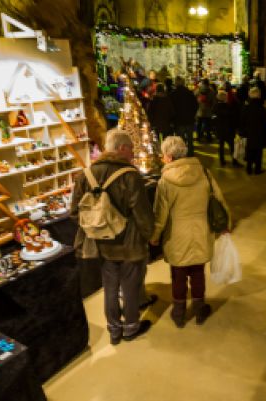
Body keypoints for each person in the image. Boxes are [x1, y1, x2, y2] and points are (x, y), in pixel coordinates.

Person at [70, 129, 154, 345]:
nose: (133, 155)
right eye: (131, 150)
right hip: (130, 243)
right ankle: (131, 327)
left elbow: (74, 213)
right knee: (130, 287)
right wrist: (149, 236)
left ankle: (114, 330)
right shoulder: (130, 175)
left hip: (101, 244)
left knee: (109, 287)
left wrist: (96, 228)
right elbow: (142, 213)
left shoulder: (85, 175)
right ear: (121, 148)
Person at [150, 136, 230, 328]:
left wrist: (154, 236)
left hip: (177, 236)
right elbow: (219, 200)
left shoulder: (165, 181)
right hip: (202, 231)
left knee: (178, 274)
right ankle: (200, 308)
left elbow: (160, 215)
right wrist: (227, 223)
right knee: (197, 272)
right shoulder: (204, 172)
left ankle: (179, 313)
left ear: (169, 157)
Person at [240, 87, 266, 175]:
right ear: (258, 95)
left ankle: (249, 168)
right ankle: (257, 169)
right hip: (259, 133)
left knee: (249, 151)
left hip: (248, 133)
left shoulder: (246, 107)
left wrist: (241, 132)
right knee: (258, 152)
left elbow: (242, 121)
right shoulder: (261, 108)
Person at [169, 77, 198, 156]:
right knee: (190, 138)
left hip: (178, 120)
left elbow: (171, 108)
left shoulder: (173, 94)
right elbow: (195, 105)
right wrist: (192, 114)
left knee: (180, 139)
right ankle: (191, 153)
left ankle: (182, 154)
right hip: (189, 119)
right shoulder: (189, 93)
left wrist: (172, 119)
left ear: (176, 83)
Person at [213, 91, 241, 167]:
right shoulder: (229, 107)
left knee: (221, 146)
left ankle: (222, 161)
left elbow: (214, 118)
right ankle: (234, 161)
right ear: (225, 98)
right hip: (229, 129)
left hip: (219, 129)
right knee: (232, 146)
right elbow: (233, 119)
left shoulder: (215, 107)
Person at [196, 78, 216, 143]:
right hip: (208, 111)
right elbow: (214, 102)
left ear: (202, 83)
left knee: (199, 125)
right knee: (208, 125)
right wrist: (212, 109)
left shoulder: (198, 90)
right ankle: (208, 138)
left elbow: (194, 98)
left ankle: (199, 137)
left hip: (199, 111)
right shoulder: (211, 91)